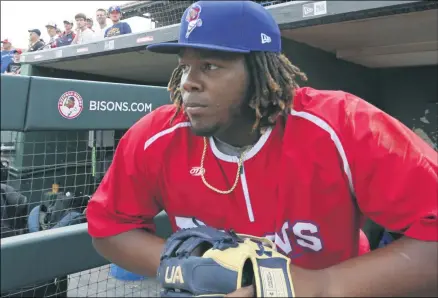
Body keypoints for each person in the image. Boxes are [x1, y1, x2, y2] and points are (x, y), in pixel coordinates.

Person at [86, 1, 437, 297]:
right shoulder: (155, 137)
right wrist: (190, 265)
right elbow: (108, 227)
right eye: (184, 67)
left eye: (210, 66)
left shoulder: (344, 123)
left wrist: (322, 284)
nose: (188, 83)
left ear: (259, 69)